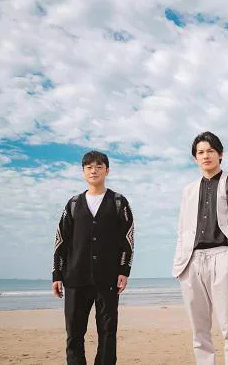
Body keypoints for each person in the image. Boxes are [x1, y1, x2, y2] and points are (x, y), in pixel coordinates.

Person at [173, 131, 228, 365]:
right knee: (199, 330)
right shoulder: (189, 190)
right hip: (192, 261)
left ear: (220, 154)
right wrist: (180, 264)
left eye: (210, 151)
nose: (205, 156)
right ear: (195, 158)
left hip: (222, 257)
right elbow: (182, 229)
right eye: (200, 152)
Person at [52, 150, 135, 365]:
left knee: (107, 332)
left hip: (107, 278)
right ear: (83, 172)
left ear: (107, 170)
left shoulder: (119, 202)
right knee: (74, 333)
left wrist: (123, 271)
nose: (94, 171)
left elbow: (127, 239)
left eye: (99, 166)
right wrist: (57, 274)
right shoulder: (73, 204)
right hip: (75, 278)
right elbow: (61, 240)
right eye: (89, 167)